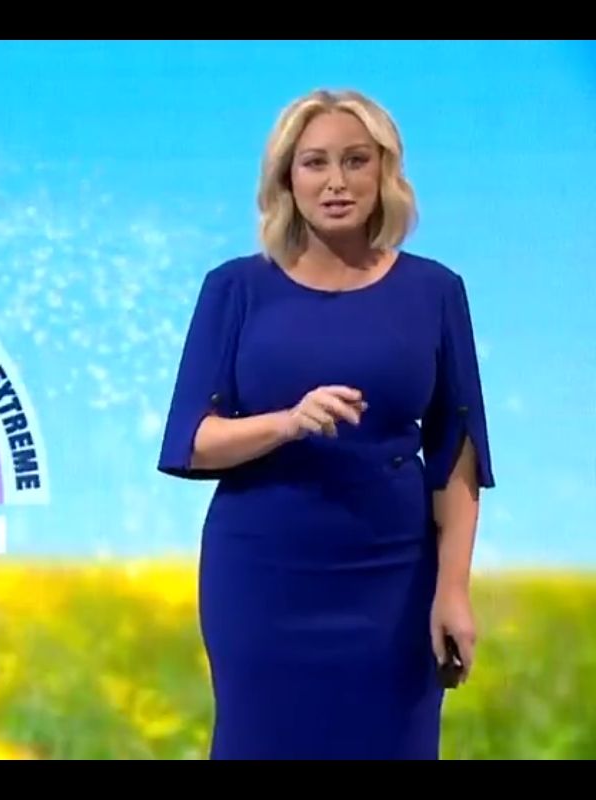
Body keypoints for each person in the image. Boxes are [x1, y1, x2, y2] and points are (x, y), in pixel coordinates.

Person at [157, 88, 495, 760]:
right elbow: (191, 442)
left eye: (355, 160)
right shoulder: (236, 289)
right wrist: (287, 422)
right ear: (287, 178)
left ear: (384, 172)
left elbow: (456, 449)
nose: (336, 182)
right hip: (262, 574)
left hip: (394, 579)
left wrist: (452, 591)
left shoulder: (435, 291)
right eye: (315, 163)